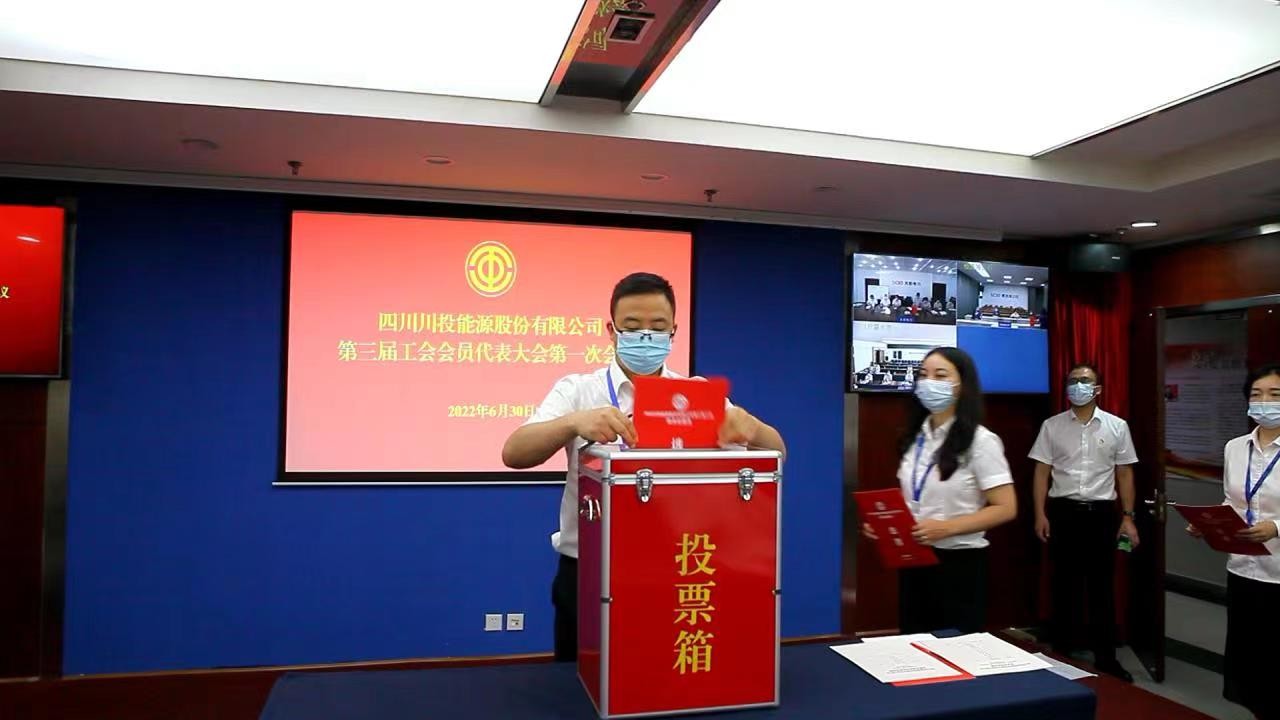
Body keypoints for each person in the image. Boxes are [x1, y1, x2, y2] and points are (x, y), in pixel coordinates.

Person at [501, 272, 787, 662]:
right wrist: (573, 423)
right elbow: (515, 453)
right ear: (612, 330)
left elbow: (777, 453)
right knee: (580, 684)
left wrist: (751, 427)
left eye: (657, 327)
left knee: (666, 678)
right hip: (590, 570)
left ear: (673, 331)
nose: (646, 337)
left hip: (677, 571)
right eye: (633, 327)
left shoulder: (696, 394)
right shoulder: (578, 390)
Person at [862, 347, 1017, 634]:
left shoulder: (981, 441)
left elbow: (1006, 507)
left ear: (962, 385)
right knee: (914, 644)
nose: (928, 382)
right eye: (923, 375)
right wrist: (885, 525)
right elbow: (913, 497)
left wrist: (946, 528)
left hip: (959, 564)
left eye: (940, 375)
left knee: (956, 649)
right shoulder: (915, 438)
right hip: (914, 558)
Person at [1029, 362, 1138, 682]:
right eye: (1073, 380)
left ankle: (1106, 657)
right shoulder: (1052, 426)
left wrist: (1128, 517)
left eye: (1085, 380)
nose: (1078, 385)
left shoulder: (1117, 426)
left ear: (1098, 389)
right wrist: (1040, 513)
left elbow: (1124, 473)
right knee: (1064, 584)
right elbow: (1041, 472)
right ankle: (1063, 651)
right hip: (1062, 512)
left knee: (1102, 587)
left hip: (1101, 515)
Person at [1188, 363, 1280, 719]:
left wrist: (1276, 527)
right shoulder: (1235, 447)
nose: (1264, 401)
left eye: (1274, 394)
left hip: (1278, 571)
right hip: (1243, 568)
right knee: (1250, 661)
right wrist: (1209, 523)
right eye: (1256, 394)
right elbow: (1234, 501)